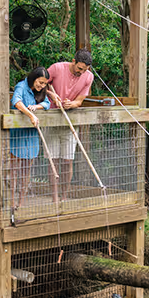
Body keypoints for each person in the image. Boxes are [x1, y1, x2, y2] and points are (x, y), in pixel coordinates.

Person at [46, 49, 94, 202]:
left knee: (67, 161)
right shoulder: (57, 68)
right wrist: (51, 94)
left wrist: (72, 104)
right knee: (53, 160)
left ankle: (64, 197)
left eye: (85, 69)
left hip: (69, 120)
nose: (81, 72)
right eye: (79, 68)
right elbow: (38, 85)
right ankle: (54, 198)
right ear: (73, 61)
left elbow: (79, 101)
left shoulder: (88, 77)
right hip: (51, 119)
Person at [10, 67, 51, 210]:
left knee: (26, 171)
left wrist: (36, 107)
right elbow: (16, 101)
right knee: (14, 169)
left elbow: (47, 104)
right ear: (34, 78)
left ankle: (21, 203)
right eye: (40, 82)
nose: (41, 86)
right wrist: (30, 114)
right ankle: (11, 202)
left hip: (32, 136)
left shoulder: (41, 91)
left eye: (44, 84)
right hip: (18, 135)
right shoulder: (21, 86)